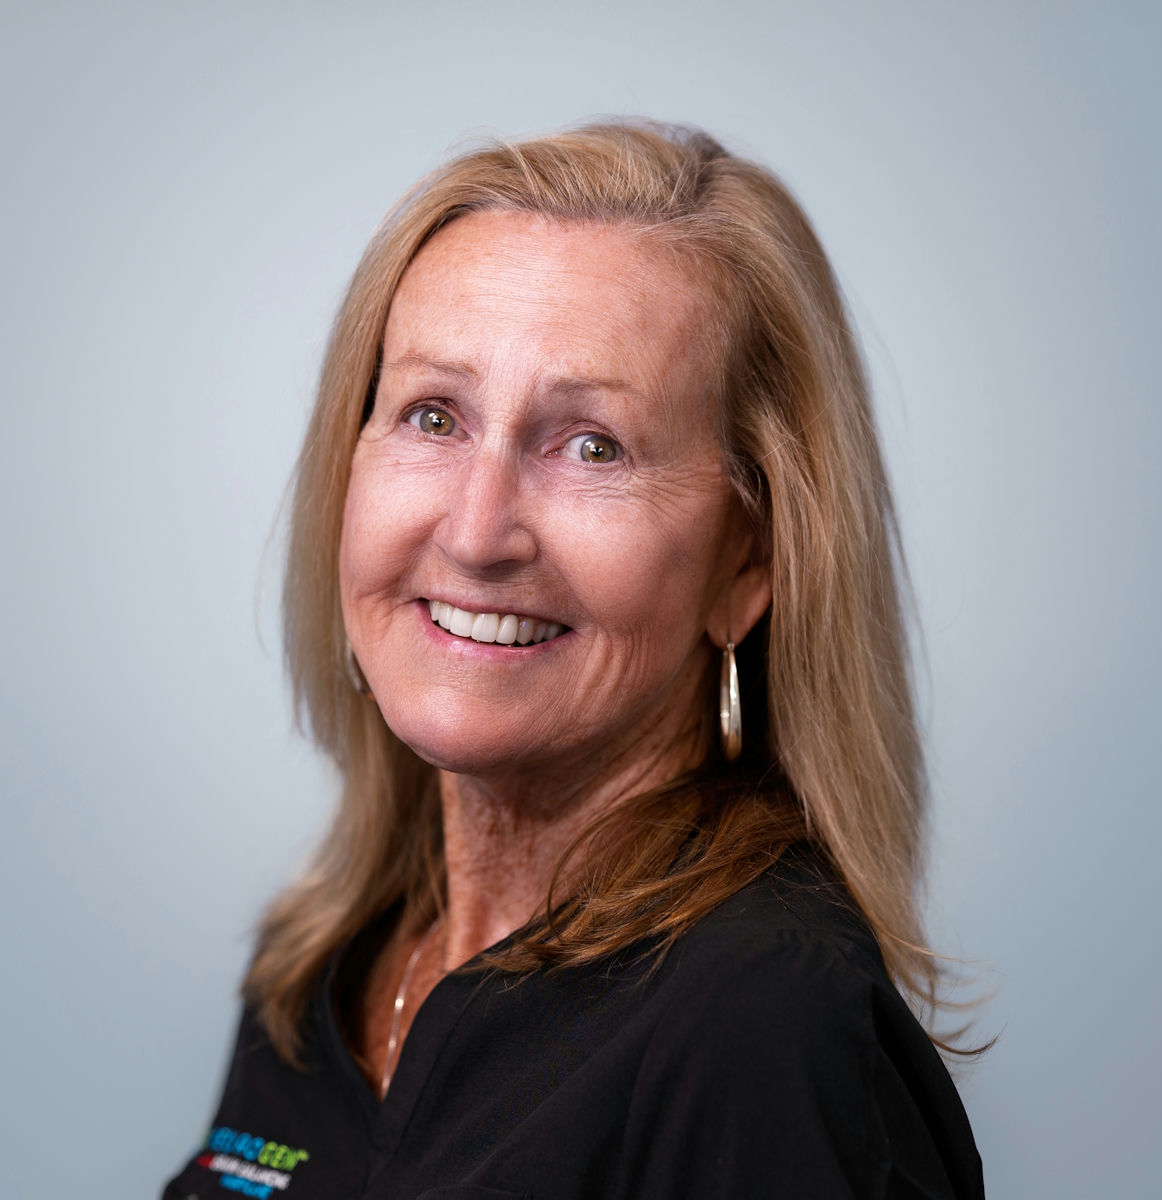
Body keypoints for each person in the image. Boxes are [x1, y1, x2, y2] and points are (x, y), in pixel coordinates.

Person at [163, 120, 984, 1199]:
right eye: (432, 415)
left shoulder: (759, 1021)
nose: (475, 531)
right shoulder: (318, 971)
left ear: (750, 558)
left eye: (592, 445)